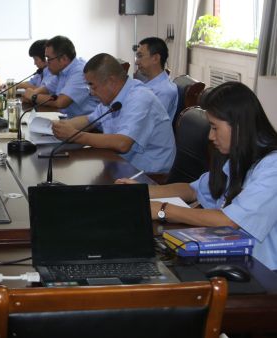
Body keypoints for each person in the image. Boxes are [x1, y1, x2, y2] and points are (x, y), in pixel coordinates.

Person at [118, 82, 277, 269]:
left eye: (215, 127)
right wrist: (141, 191)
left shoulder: (272, 167)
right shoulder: (239, 155)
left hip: (262, 270)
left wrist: (163, 210)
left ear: (239, 125)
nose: (210, 136)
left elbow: (229, 221)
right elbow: (192, 189)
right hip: (229, 254)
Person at [52, 53, 175, 174]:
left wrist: (75, 136)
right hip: (120, 164)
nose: (91, 93)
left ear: (111, 81)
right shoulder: (111, 98)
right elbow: (90, 120)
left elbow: (122, 144)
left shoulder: (140, 98)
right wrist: (61, 126)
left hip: (148, 175)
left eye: (93, 86)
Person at [22, 36, 98, 117]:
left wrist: (33, 97)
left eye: (49, 59)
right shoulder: (61, 71)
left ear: (63, 59)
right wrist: (31, 94)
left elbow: (61, 102)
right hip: (68, 118)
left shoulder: (79, 72)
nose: (47, 63)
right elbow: (47, 89)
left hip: (88, 122)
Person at [135, 37, 178, 119]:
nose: (136, 62)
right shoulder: (147, 81)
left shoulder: (164, 91)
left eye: (140, 56)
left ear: (155, 58)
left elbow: (147, 122)